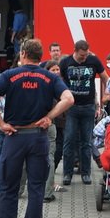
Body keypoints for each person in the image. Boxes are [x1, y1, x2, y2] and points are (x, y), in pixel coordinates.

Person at [0, 39, 73, 218]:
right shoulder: (49, 76)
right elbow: (68, 99)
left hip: (15, 137)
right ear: (40, 55)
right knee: (36, 188)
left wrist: (1, 123)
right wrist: (49, 117)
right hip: (38, 138)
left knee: (8, 188)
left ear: (23, 53)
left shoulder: (10, 75)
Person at [58, 40, 108, 186]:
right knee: (69, 141)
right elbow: (59, 81)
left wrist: (104, 96)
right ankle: (67, 174)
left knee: (86, 142)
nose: (84, 58)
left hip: (88, 107)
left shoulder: (93, 60)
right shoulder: (66, 62)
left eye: (86, 55)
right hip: (71, 108)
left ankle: (86, 173)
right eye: (81, 55)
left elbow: (105, 77)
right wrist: (62, 100)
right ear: (75, 50)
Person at [41, 60, 67, 202]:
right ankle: (47, 192)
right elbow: (68, 100)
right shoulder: (53, 85)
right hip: (48, 122)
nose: (56, 72)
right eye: (53, 70)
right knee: (49, 156)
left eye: (58, 69)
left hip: (54, 123)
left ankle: (19, 190)